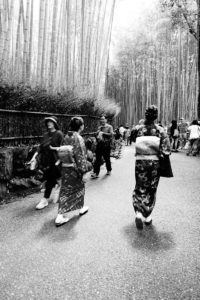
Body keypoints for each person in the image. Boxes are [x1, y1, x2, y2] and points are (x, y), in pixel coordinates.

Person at [132, 105, 171, 230]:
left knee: (140, 187)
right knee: (151, 188)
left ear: (145, 115)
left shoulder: (138, 129)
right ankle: (147, 216)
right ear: (156, 116)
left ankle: (138, 212)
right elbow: (166, 150)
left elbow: (132, 139)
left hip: (140, 162)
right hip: (154, 164)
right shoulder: (161, 130)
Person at [51, 117, 92, 226]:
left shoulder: (66, 136)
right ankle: (60, 216)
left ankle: (81, 207)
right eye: (83, 124)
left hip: (65, 167)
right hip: (75, 168)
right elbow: (81, 156)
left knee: (69, 189)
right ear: (81, 126)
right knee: (71, 190)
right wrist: (84, 170)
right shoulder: (78, 138)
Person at [34, 116, 64, 210]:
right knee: (53, 179)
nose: (49, 123)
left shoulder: (59, 134)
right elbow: (41, 147)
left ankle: (46, 198)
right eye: (48, 122)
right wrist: (34, 156)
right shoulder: (45, 134)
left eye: (51, 122)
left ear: (55, 123)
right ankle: (52, 194)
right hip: (47, 161)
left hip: (56, 161)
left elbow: (63, 147)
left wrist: (60, 159)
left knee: (54, 179)